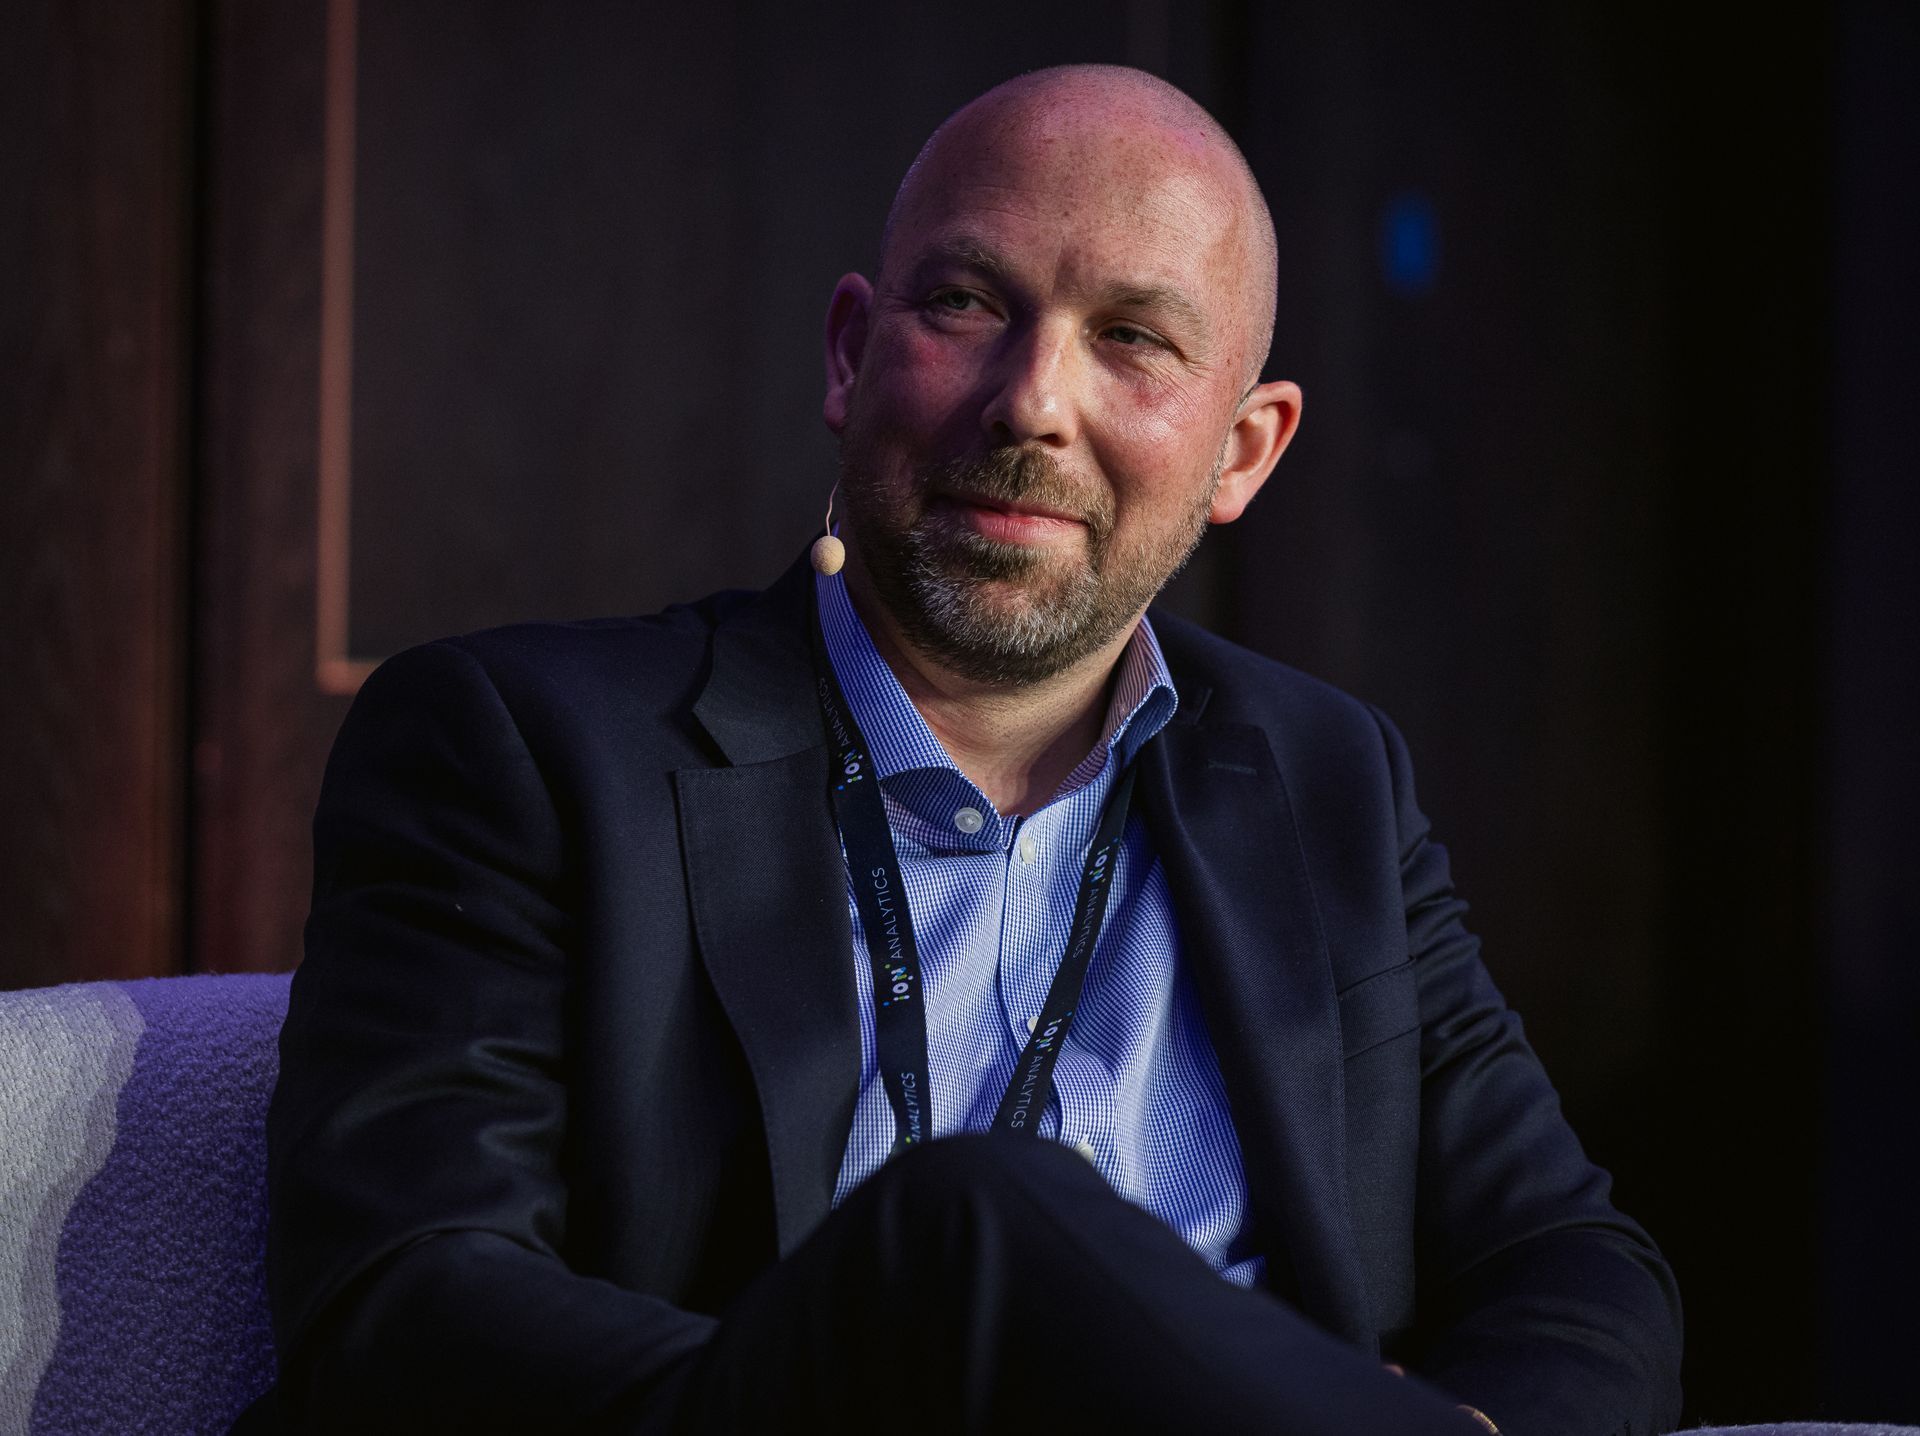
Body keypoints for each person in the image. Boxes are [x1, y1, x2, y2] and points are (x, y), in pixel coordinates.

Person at [245, 64, 1682, 1435]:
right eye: (967, 303)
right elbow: (404, 1302)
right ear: (849, 354)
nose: (1032, 402)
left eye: (1133, 338)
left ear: (1245, 451)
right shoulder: (522, 746)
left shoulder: (1328, 780)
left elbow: (1572, 1268)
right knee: (971, 1224)